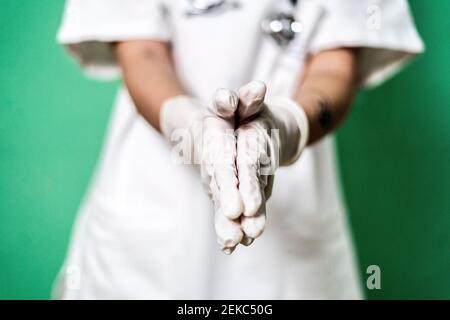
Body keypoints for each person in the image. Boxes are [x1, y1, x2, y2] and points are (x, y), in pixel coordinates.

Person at [54, 0, 424, 299]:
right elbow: (141, 53)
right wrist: (193, 129)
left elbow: (336, 65)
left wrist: (286, 126)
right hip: (151, 207)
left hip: (293, 215)